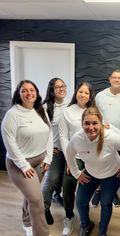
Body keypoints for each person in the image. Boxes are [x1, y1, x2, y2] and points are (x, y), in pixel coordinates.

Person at [1, 80, 53, 236]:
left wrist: (48, 158)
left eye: (32, 90)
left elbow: (49, 134)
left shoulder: (41, 109)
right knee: (37, 200)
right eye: (24, 90)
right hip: (19, 164)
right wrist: (23, 165)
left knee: (32, 194)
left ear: (36, 92)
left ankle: (26, 221)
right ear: (19, 94)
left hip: (41, 161)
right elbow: (9, 142)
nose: (29, 93)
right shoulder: (12, 114)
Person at [66, 106, 120, 236]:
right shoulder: (77, 138)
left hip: (112, 175)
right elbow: (69, 155)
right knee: (81, 201)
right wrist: (77, 174)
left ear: (101, 123)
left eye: (95, 123)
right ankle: (86, 224)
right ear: (82, 124)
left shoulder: (111, 137)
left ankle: (102, 231)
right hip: (90, 173)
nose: (91, 127)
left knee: (106, 203)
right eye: (87, 123)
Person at [58, 81, 95, 236]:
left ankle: (85, 221)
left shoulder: (93, 111)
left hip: (92, 155)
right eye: (81, 91)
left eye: (86, 93)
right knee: (68, 186)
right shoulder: (67, 111)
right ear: (76, 93)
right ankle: (69, 216)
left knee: (87, 189)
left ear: (90, 95)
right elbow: (63, 136)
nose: (83, 95)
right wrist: (69, 158)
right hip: (75, 155)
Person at [92, 69, 120, 207]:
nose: (116, 80)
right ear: (109, 79)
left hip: (119, 139)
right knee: (100, 165)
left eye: (119, 78)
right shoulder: (100, 96)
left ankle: (112, 192)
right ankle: (98, 191)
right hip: (101, 137)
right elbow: (95, 115)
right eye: (114, 77)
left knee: (115, 168)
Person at [42, 78, 69, 225]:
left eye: (63, 86)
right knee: (52, 178)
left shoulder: (70, 104)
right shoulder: (45, 108)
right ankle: (44, 208)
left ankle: (56, 196)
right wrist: (49, 148)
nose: (61, 89)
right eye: (57, 87)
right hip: (56, 151)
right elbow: (41, 131)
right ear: (51, 90)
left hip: (69, 150)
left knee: (62, 179)